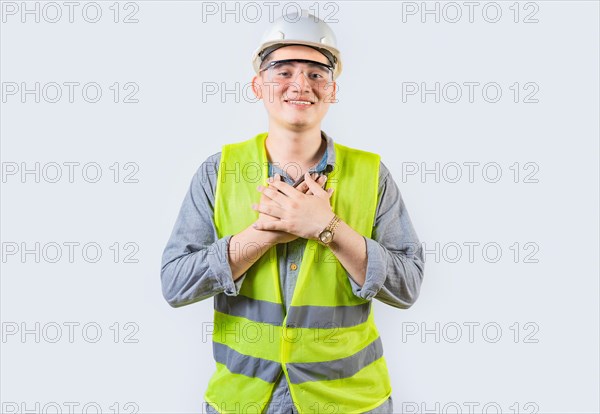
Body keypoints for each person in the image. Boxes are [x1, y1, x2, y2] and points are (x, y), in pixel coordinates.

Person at [161, 9, 425, 414]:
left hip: (350, 403)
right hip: (244, 402)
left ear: (333, 90)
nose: (300, 84)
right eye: (283, 71)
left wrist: (328, 227)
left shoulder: (373, 175)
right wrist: (261, 236)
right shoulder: (218, 172)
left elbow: (407, 287)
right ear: (258, 85)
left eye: (316, 73)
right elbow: (175, 285)